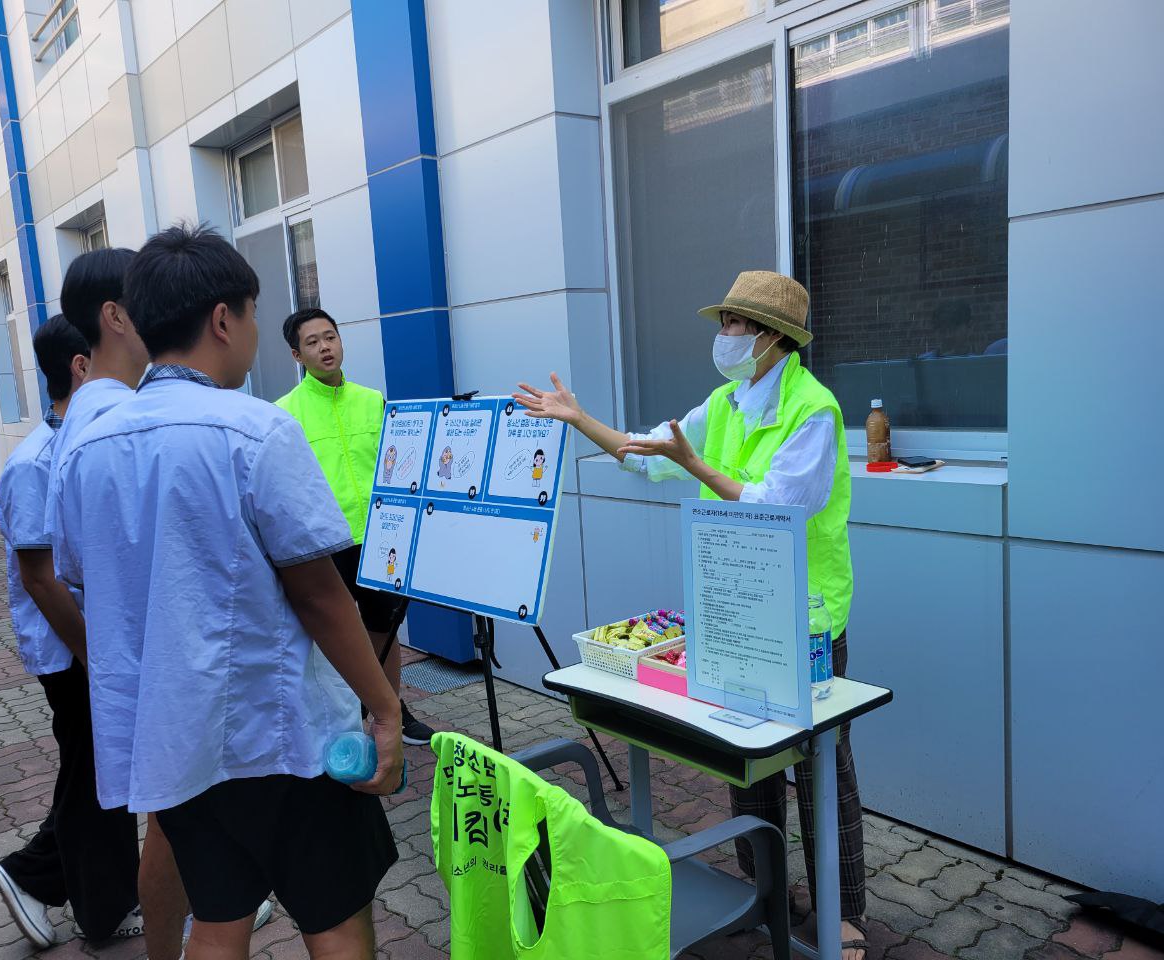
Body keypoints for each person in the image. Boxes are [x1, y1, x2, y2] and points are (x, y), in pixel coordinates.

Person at [52, 225, 403, 960]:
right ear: (223, 319)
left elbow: (83, 575)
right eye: (250, 314)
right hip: (282, 732)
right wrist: (384, 706)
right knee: (333, 917)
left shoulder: (84, 448)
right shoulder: (258, 429)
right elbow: (318, 595)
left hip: (172, 738)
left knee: (216, 919)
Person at [516, 270, 869, 960]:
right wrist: (578, 417)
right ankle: (761, 889)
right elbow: (647, 456)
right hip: (736, 605)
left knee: (823, 763)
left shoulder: (814, 410)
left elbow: (775, 508)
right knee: (746, 752)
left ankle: (843, 911)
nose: (724, 336)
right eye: (726, 322)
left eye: (735, 325)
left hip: (807, 619)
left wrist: (695, 465)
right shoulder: (728, 401)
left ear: (771, 337)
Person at [46, 249, 269, 959]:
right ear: (117, 316)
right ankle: (186, 937)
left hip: (152, 661)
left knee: (169, 824)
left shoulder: (96, 415)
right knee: (177, 825)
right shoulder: (115, 417)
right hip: (174, 664)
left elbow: (76, 561)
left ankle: (178, 940)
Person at [0, 317, 142, 948]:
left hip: (98, 644)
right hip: (70, 647)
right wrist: (94, 654)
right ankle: (73, 894)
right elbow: (40, 578)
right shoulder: (33, 462)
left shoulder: (87, 442)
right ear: (81, 367)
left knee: (96, 772)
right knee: (96, 775)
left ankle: (56, 882)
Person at [276, 307, 436, 745]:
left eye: (330, 336)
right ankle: (341, 720)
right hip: (323, 544)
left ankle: (393, 712)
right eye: (313, 342)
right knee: (330, 634)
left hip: (380, 536)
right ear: (296, 354)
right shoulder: (284, 414)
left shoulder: (373, 400)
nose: (325, 347)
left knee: (384, 629)